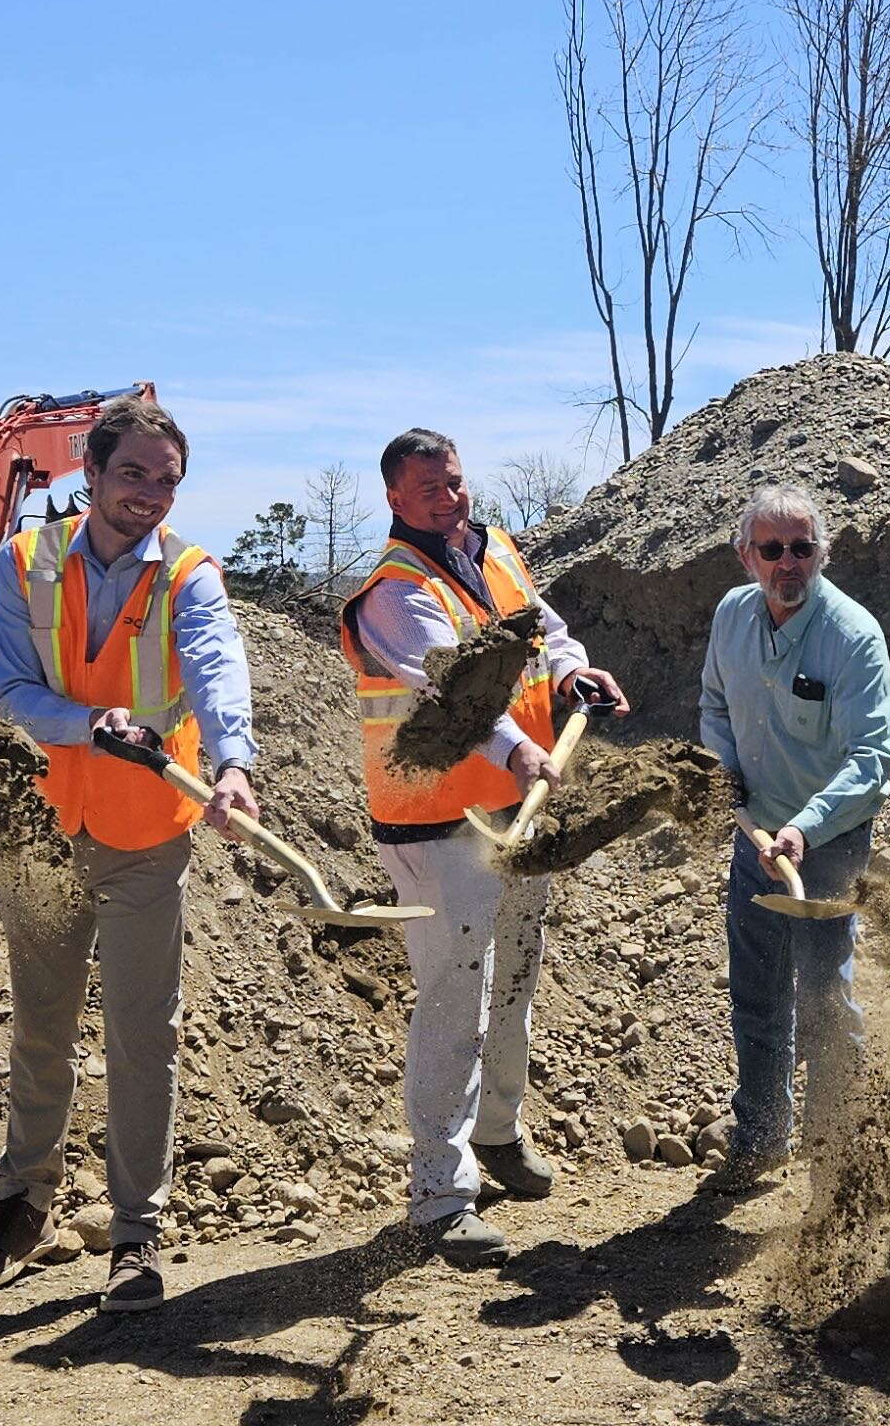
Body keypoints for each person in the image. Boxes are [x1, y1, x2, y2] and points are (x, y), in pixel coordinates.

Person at [0, 391, 260, 1312]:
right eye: (131, 474)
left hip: (146, 832)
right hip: (41, 831)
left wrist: (233, 763)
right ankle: (21, 1204)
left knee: (140, 1034)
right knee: (41, 1026)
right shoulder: (25, 560)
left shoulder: (190, 573)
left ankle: (136, 1231)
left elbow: (216, 665)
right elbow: (7, 692)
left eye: (166, 481)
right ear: (90, 472)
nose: (148, 495)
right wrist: (90, 723)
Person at [341, 428, 626, 1265]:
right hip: (438, 822)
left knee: (516, 977)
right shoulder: (396, 591)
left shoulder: (493, 549)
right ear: (393, 497)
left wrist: (574, 674)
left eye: (454, 481)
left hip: (514, 812)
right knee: (452, 995)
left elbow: (545, 634)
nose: (447, 497)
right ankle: (438, 1187)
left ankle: (497, 1132)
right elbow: (455, 689)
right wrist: (519, 750)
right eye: (427, 487)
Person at [698, 484, 890, 1188]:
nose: (788, 562)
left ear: (822, 553)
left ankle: (836, 1145)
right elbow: (714, 706)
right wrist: (723, 777)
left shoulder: (851, 635)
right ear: (745, 555)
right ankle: (760, 1137)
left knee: (821, 990)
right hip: (755, 836)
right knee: (755, 990)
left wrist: (804, 829)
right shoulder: (731, 616)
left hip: (828, 836)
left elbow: (872, 760)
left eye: (802, 548)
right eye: (772, 548)